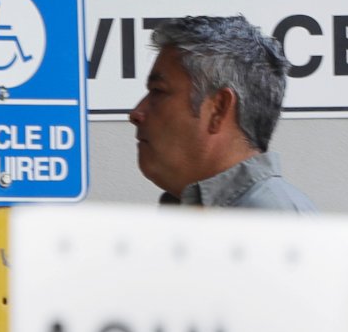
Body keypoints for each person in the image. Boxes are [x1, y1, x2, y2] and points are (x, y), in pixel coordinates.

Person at [128, 15, 316, 212]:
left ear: (218, 108)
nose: (136, 113)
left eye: (158, 91)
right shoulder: (216, 214)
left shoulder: (271, 220)